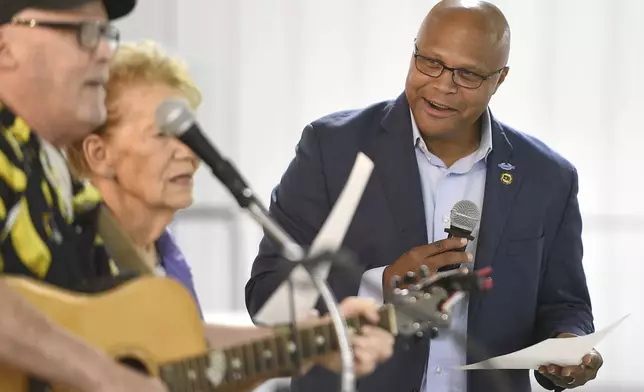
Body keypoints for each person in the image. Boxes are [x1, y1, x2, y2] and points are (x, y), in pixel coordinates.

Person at [0, 2, 392, 392]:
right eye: (83, 33)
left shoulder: (63, 187)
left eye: (105, 35)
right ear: (6, 45)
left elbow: (170, 346)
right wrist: (109, 378)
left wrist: (308, 342)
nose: (104, 50)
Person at [245, 1, 602, 392]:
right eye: (429, 62)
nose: (442, 84)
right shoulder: (333, 149)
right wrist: (381, 284)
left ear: (499, 79)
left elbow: (565, 305)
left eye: (466, 74)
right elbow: (268, 295)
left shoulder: (547, 177)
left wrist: (569, 347)